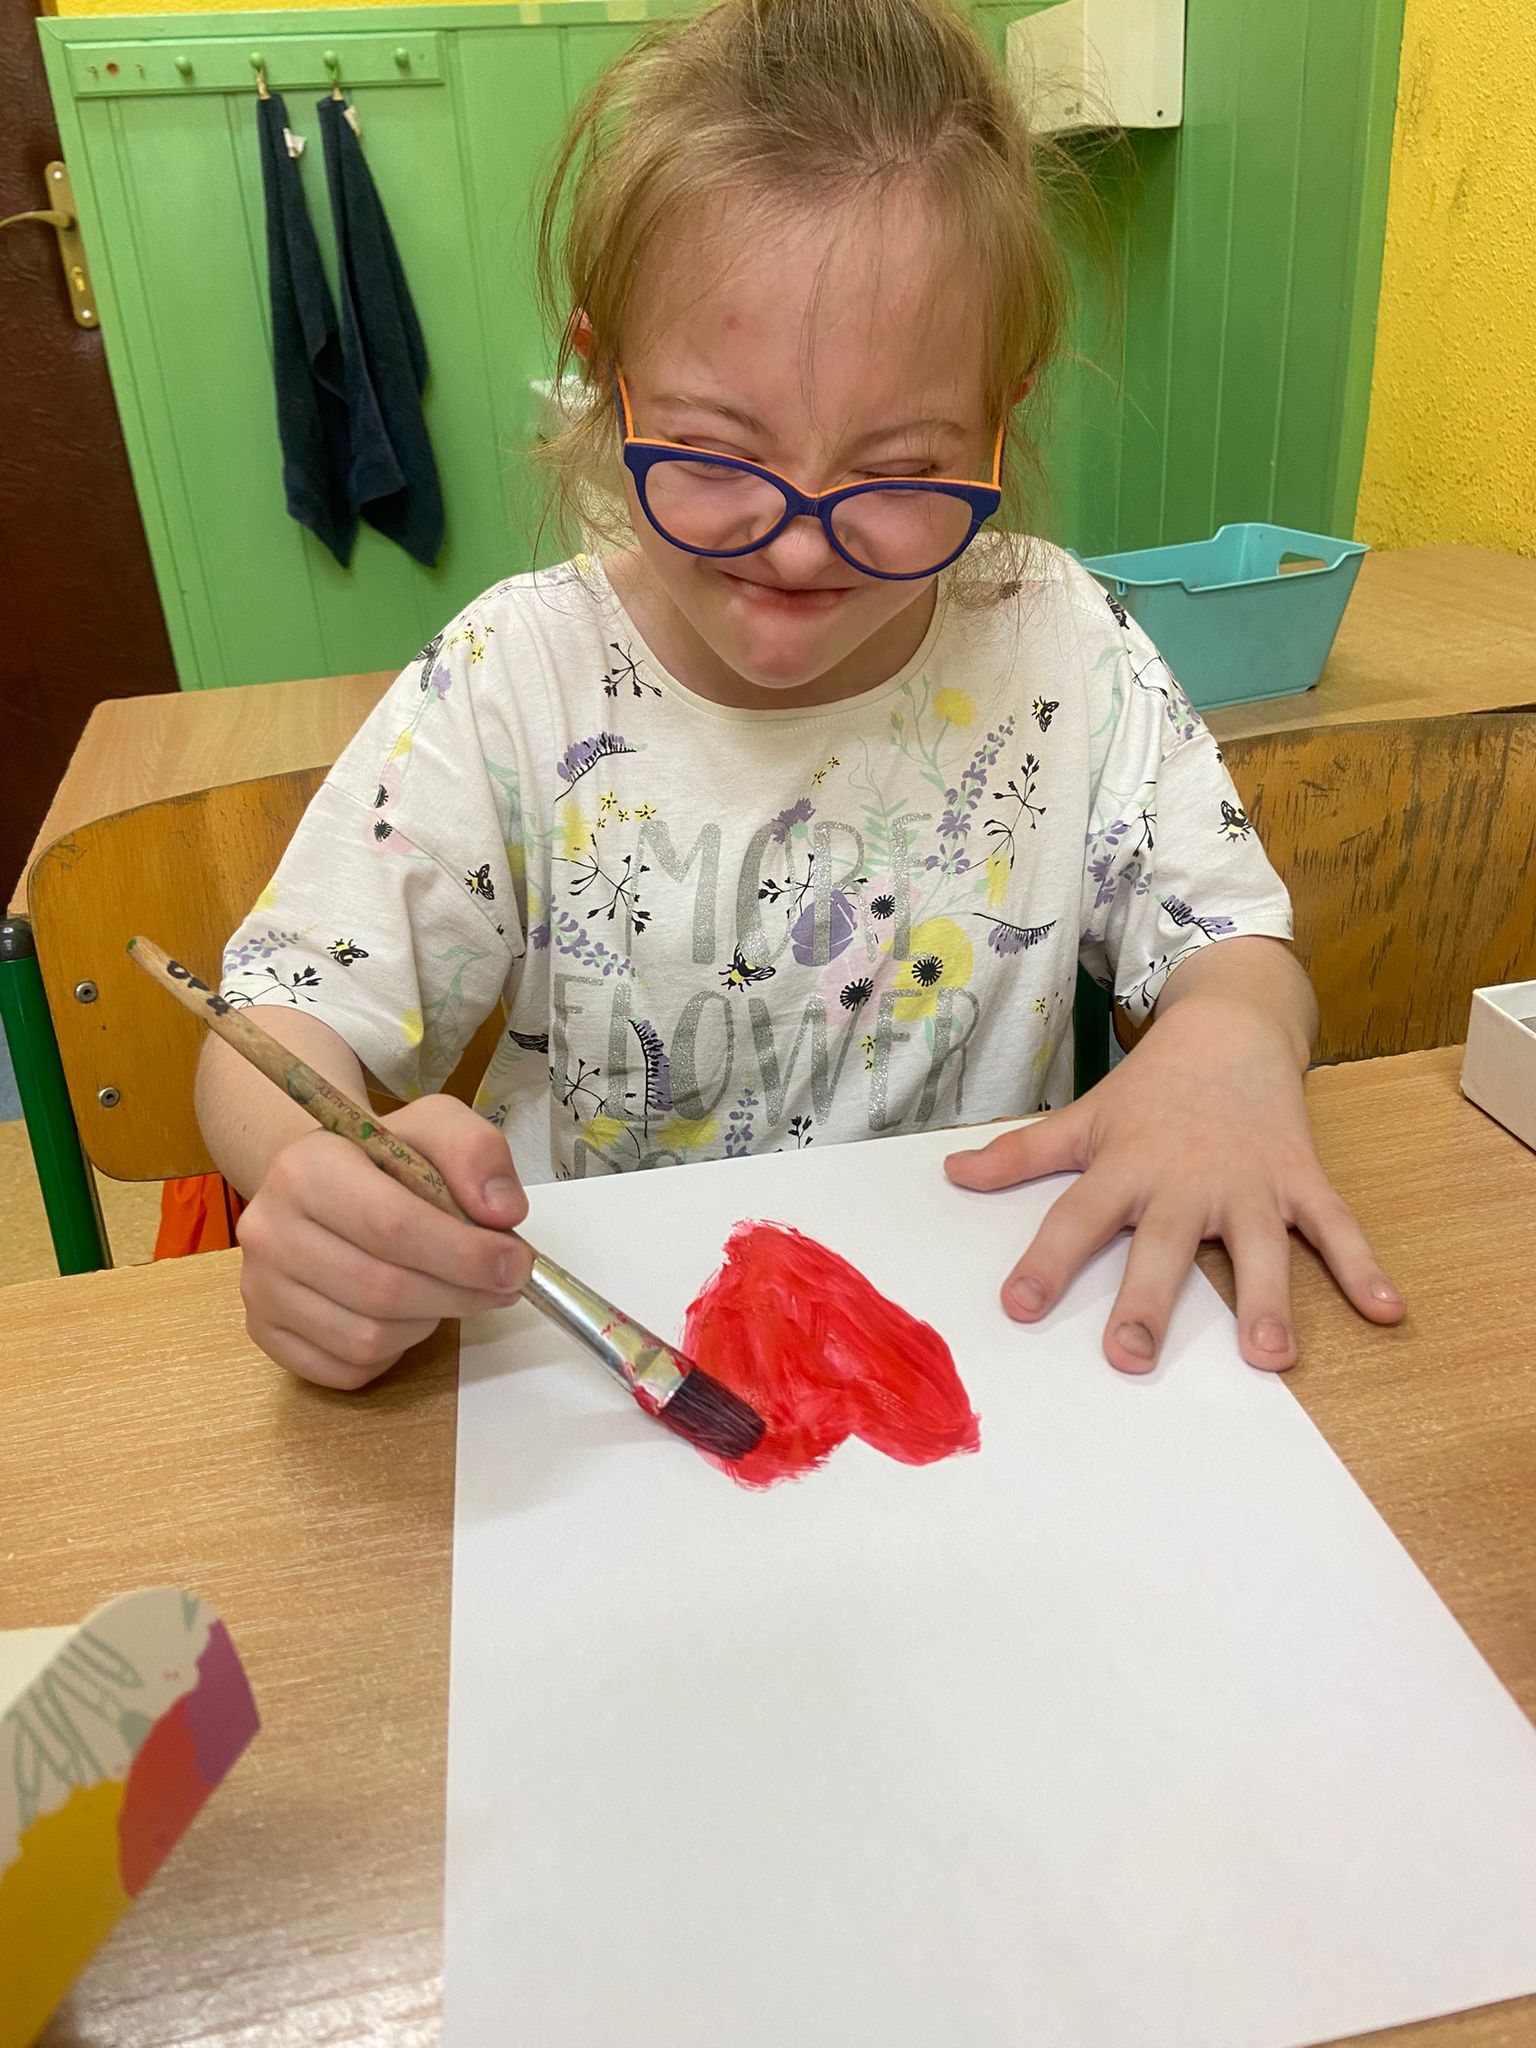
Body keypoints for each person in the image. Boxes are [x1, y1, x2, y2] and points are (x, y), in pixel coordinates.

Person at [198, 0, 1403, 1392]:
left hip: (987, 1359)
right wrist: (315, 1174)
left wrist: (1232, 1039)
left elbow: (1235, 946)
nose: (796, 544)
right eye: (718, 452)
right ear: (604, 380)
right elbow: (270, 1023)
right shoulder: (511, 681)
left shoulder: (1063, 644)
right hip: (593, 1376)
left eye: (899, 469)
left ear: (1001, 418)